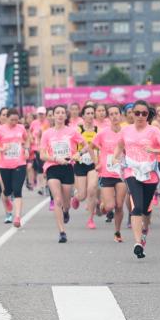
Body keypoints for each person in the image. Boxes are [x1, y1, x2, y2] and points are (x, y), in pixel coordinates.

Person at [113, 100, 160, 258]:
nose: (140, 116)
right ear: (131, 114)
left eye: (143, 113)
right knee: (136, 207)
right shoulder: (126, 130)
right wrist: (115, 157)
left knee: (145, 209)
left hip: (149, 173)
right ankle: (138, 242)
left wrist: (154, 149)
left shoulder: (154, 131)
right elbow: (119, 145)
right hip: (131, 171)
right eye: (136, 113)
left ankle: (145, 229)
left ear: (148, 115)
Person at [40, 105, 86, 243]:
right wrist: (55, 159)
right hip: (52, 167)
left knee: (66, 202)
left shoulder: (72, 131)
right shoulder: (47, 133)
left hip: (67, 167)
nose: (60, 115)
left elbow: (85, 146)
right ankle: (62, 232)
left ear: (65, 116)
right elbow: (42, 155)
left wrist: (79, 153)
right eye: (57, 113)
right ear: (53, 116)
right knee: (57, 199)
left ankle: (66, 211)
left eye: (62, 113)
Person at [91, 104, 127, 243]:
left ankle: (117, 232)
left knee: (119, 205)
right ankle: (103, 206)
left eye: (116, 113)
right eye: (111, 114)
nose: (114, 116)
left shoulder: (126, 132)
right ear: (108, 117)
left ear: (121, 115)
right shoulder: (103, 133)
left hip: (121, 173)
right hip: (106, 173)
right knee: (110, 206)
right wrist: (96, 162)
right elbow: (91, 147)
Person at [0, 108, 30, 228]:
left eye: (16, 120)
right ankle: (6, 200)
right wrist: (1, 149)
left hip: (19, 163)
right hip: (4, 165)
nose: (14, 122)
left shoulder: (21, 128)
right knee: (7, 190)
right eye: (12, 120)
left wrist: (26, 149)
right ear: (6, 118)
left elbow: (27, 139)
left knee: (17, 190)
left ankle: (17, 217)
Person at [71, 105, 100, 229]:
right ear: (82, 116)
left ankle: (90, 219)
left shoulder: (99, 130)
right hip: (81, 164)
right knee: (82, 195)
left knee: (92, 189)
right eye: (87, 113)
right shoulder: (78, 130)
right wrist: (74, 155)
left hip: (94, 164)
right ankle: (76, 197)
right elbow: (72, 145)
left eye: (92, 113)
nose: (90, 115)